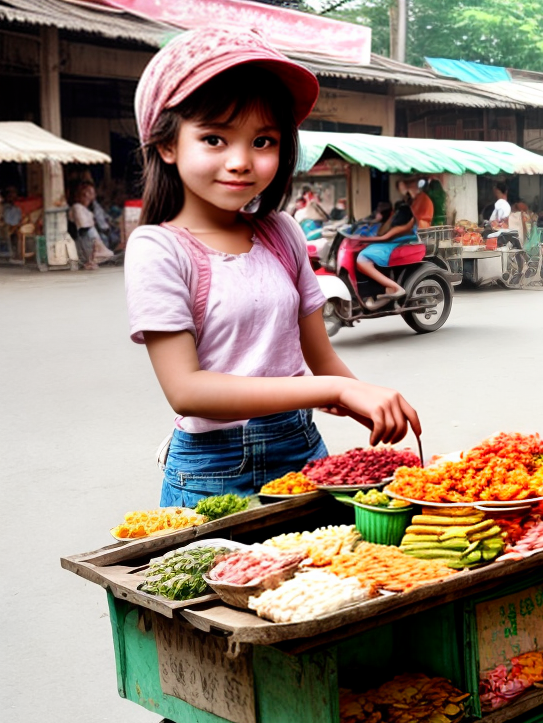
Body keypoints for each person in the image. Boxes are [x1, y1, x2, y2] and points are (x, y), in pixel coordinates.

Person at [125, 27, 419, 506]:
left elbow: (319, 358)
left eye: (263, 141)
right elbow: (187, 390)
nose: (241, 161)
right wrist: (334, 391)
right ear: (167, 145)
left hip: (302, 449)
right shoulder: (159, 248)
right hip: (212, 470)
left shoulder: (280, 231)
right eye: (214, 138)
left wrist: (367, 397)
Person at [354, 195, 419, 305]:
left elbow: (384, 237)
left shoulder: (404, 225)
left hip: (395, 246)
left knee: (362, 258)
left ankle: (396, 288)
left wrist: (360, 239)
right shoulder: (394, 222)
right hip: (390, 244)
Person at [69, 182, 114, 269]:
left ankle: (97, 251)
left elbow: (104, 225)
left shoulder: (90, 208)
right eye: (90, 192)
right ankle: (97, 250)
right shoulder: (77, 207)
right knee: (87, 230)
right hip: (82, 244)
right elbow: (84, 230)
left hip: (92, 245)